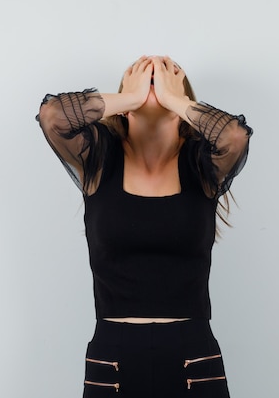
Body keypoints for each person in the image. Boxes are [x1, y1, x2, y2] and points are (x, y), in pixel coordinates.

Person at [36, 55, 253, 398]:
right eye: (142, 78)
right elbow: (52, 117)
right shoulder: (98, 158)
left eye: (165, 78)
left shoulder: (202, 163)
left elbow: (235, 137)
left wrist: (176, 101)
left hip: (193, 359)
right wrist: (128, 101)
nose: (154, 83)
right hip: (113, 362)